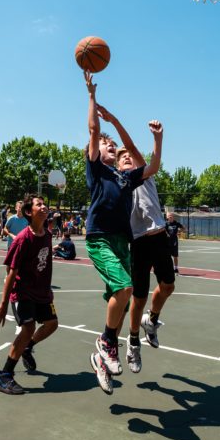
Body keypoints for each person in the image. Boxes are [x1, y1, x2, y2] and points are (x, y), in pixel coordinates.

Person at [82, 71, 161, 395]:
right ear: (97, 152)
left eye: (113, 144)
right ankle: (106, 342)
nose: (111, 145)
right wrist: (91, 96)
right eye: (107, 144)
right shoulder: (98, 170)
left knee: (123, 299)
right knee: (126, 288)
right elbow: (92, 129)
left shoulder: (126, 178)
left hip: (122, 241)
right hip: (99, 237)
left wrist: (123, 125)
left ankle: (103, 356)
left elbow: (152, 165)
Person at [0, 194, 59, 394]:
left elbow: (45, 265)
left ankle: (27, 347)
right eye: (39, 204)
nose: (44, 206)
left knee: (52, 324)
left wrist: (47, 290)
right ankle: (4, 376)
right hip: (23, 293)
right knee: (28, 328)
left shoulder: (47, 235)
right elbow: (11, 272)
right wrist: (3, 303)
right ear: (29, 212)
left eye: (44, 203)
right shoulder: (22, 239)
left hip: (42, 292)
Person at [114, 132, 170, 375]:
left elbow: (135, 148)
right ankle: (134, 341)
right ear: (117, 166)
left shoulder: (145, 174)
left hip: (158, 235)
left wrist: (157, 138)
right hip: (137, 242)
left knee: (168, 286)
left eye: (130, 156)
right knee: (139, 298)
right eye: (122, 157)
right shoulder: (118, 185)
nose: (127, 158)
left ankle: (152, 319)